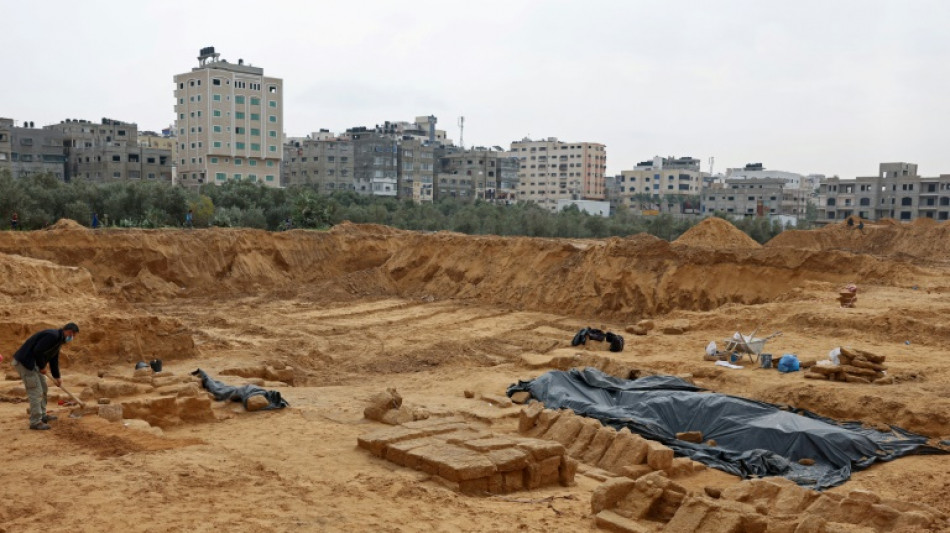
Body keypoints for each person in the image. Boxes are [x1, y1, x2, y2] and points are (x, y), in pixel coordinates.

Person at [12, 322, 79, 430]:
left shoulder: (58, 340)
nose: (72, 338)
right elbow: (37, 350)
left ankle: (42, 416)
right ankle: (35, 422)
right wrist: (42, 367)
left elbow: (54, 360)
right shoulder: (52, 336)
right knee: (36, 392)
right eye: (73, 335)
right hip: (26, 364)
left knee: (43, 389)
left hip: (35, 365)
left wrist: (57, 377)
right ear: (69, 332)